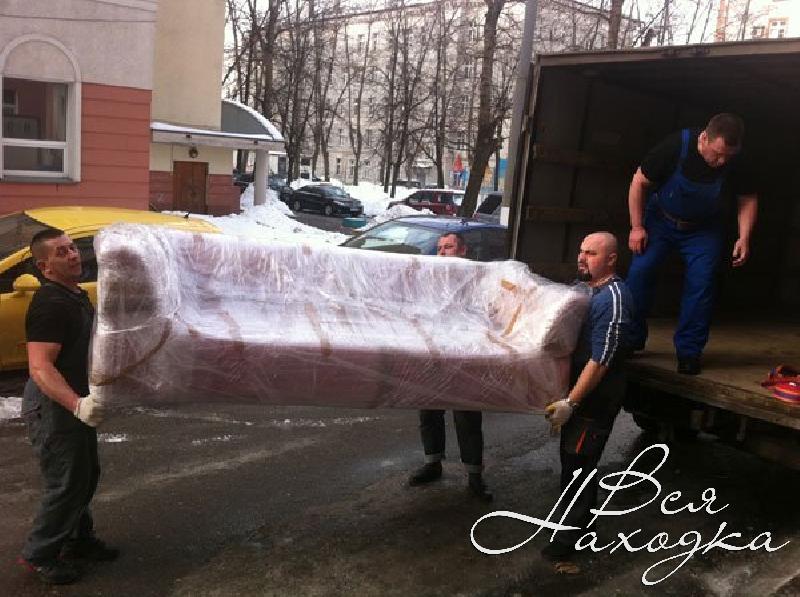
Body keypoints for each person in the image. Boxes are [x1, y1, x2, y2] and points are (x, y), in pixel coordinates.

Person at [18, 229, 118, 585]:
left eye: (73, 248)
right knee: (66, 481)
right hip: (54, 405)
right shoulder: (51, 304)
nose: (74, 255)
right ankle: (40, 555)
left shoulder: (74, 295)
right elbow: (40, 367)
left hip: (75, 400)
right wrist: (76, 405)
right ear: (45, 267)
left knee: (84, 475)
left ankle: (78, 540)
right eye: (62, 253)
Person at [626, 113, 758, 375]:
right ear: (704, 138)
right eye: (717, 154)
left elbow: (747, 199)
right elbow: (639, 182)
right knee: (640, 273)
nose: (722, 162)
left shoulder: (738, 159)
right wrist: (637, 227)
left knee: (702, 283)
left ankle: (689, 352)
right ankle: (630, 339)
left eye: (728, 156)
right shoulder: (676, 146)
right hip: (661, 221)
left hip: (704, 230)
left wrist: (744, 237)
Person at [542, 232, 633, 564]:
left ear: (611, 259)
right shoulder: (584, 290)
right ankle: (581, 524)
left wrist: (572, 403)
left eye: (591, 253)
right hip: (578, 397)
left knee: (579, 465)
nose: (582, 257)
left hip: (595, 401)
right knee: (572, 461)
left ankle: (570, 537)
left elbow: (601, 360)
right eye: (581, 251)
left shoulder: (614, 298)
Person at [407, 232, 492, 502]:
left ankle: (475, 476)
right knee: (428, 411)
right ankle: (433, 463)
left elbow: (485, 314)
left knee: (467, 417)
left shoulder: (476, 278)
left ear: (462, 250)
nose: (442, 253)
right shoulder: (429, 279)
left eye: (449, 247)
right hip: (433, 353)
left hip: (464, 355)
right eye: (439, 248)